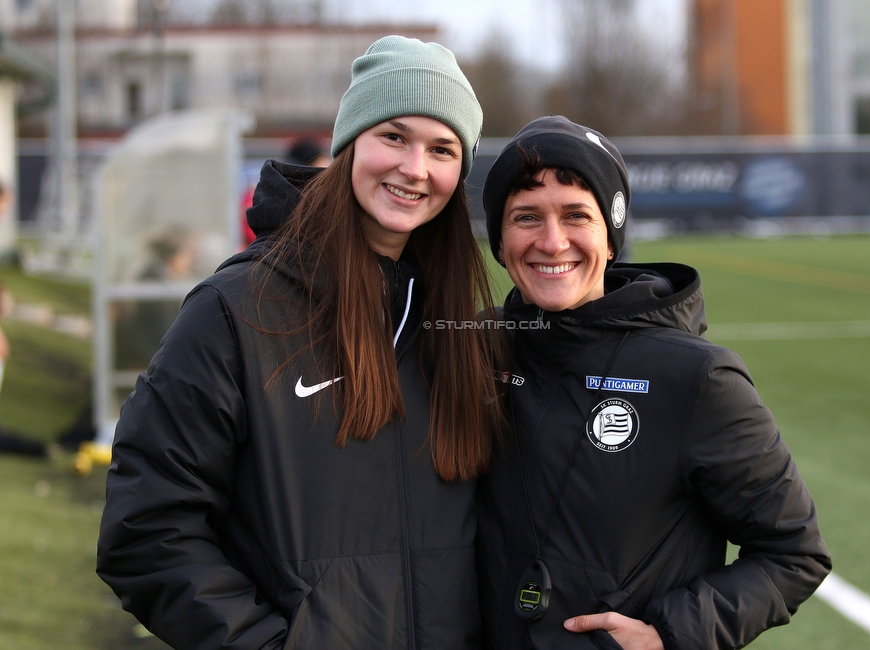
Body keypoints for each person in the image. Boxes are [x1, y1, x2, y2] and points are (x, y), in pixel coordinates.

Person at [97, 35, 500, 649]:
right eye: (393, 136)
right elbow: (147, 527)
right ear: (348, 145)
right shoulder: (237, 311)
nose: (415, 168)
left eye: (441, 149)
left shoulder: (459, 328)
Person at [476, 116, 831, 650]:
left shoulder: (695, 377)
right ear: (500, 243)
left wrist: (669, 634)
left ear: (611, 236)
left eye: (577, 216)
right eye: (527, 217)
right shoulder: (469, 350)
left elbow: (794, 553)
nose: (552, 242)